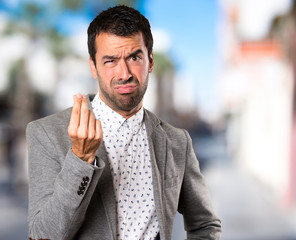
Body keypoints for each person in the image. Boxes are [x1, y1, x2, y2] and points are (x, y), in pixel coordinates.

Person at [26, 5, 221, 240]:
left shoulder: (177, 142)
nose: (124, 73)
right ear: (93, 66)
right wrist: (80, 159)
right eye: (110, 61)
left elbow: (205, 224)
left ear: (150, 61)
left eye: (134, 57)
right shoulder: (46, 134)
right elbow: (42, 236)